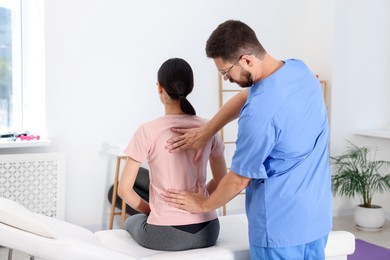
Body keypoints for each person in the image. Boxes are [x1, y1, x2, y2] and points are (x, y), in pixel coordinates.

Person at [163, 20, 332, 259]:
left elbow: (238, 180)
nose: (226, 79)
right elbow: (248, 95)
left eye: (225, 72)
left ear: (247, 60)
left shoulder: (259, 115)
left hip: (278, 229)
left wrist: (201, 204)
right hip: (316, 218)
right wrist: (208, 130)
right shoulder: (298, 70)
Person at [118, 58, 227, 251]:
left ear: (159, 87)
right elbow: (221, 180)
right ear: (191, 88)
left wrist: (152, 211)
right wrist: (201, 200)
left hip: (167, 234)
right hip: (209, 230)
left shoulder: (148, 130)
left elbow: (124, 190)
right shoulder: (208, 128)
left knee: (131, 221)